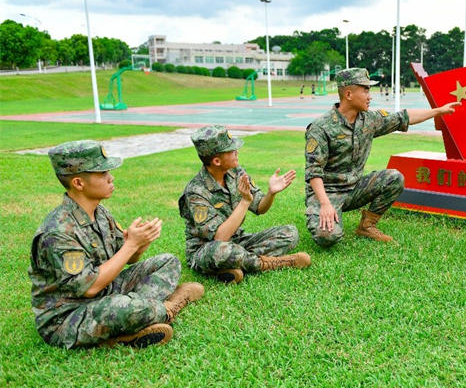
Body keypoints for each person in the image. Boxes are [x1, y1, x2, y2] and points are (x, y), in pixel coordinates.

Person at [30, 140, 204, 349]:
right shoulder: (58, 232)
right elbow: (90, 288)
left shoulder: (100, 214)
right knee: (125, 308)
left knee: (168, 262)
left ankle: (140, 317)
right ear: (78, 183)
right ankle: (163, 309)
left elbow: (129, 258)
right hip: (69, 317)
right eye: (102, 173)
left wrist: (139, 243)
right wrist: (131, 245)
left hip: (107, 292)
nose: (111, 178)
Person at [304, 67, 459, 247]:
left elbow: (403, 117)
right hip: (327, 193)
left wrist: (438, 111)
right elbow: (313, 171)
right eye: (366, 90)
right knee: (327, 237)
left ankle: (367, 225)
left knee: (394, 178)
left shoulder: (369, 120)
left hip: (354, 189)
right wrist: (324, 204)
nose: (370, 96)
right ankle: (327, 214)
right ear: (348, 94)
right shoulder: (320, 127)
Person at [179, 125, 310, 284]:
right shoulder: (195, 192)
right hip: (207, 249)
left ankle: (234, 266)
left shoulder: (236, 172)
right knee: (222, 251)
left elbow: (260, 207)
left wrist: (271, 193)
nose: (237, 151)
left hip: (238, 241)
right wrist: (244, 201)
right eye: (231, 150)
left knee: (290, 233)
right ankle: (269, 263)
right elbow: (220, 238)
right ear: (216, 161)